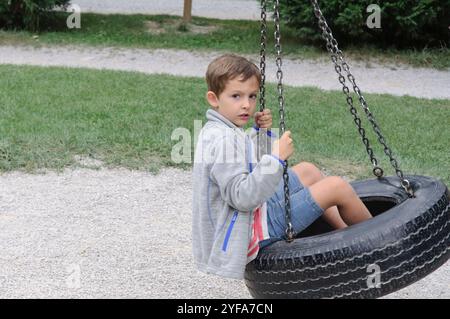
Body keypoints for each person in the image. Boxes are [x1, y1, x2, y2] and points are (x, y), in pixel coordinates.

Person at [192, 54, 372, 280]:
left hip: (249, 216)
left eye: (252, 96)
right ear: (214, 98)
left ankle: (342, 233)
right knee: (336, 186)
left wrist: (261, 134)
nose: (246, 104)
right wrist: (276, 159)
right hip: (248, 231)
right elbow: (242, 196)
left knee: (309, 170)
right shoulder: (222, 140)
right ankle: (378, 244)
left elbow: (249, 163)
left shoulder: (220, 129)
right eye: (236, 96)